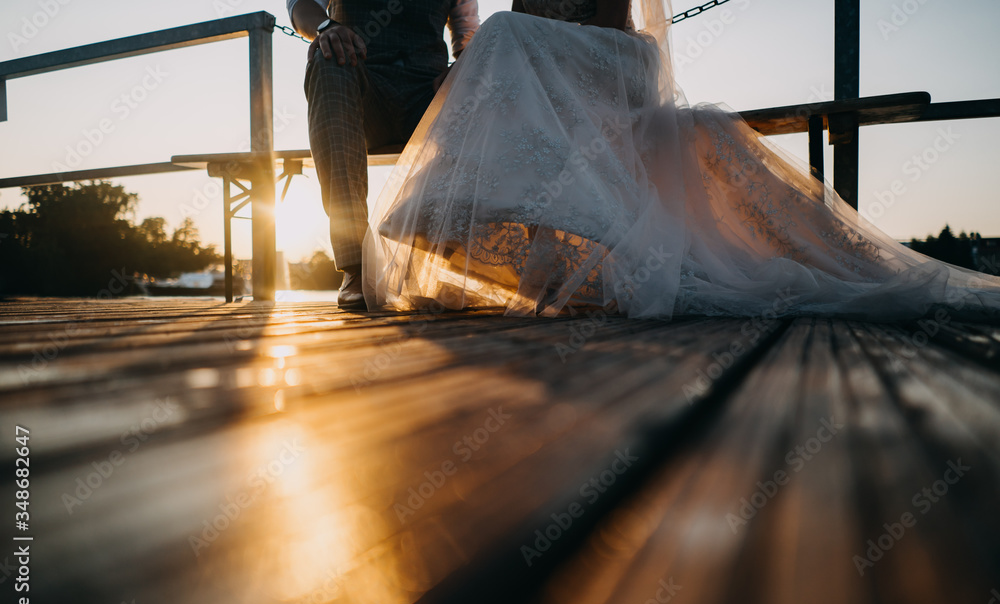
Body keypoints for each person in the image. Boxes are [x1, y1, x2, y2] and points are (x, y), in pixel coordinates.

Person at [362, 0, 1000, 319]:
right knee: (504, 43)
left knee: (502, 36)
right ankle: (491, 237)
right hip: (552, 71)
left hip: (610, 60)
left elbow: (640, 41)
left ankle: (458, 221)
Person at [288, 0, 479, 309]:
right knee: (327, 62)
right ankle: (356, 265)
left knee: (476, 86)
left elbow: (468, 35)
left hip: (427, 98)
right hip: (361, 91)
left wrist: (462, 68)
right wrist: (326, 27)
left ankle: (450, 264)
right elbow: (301, 6)